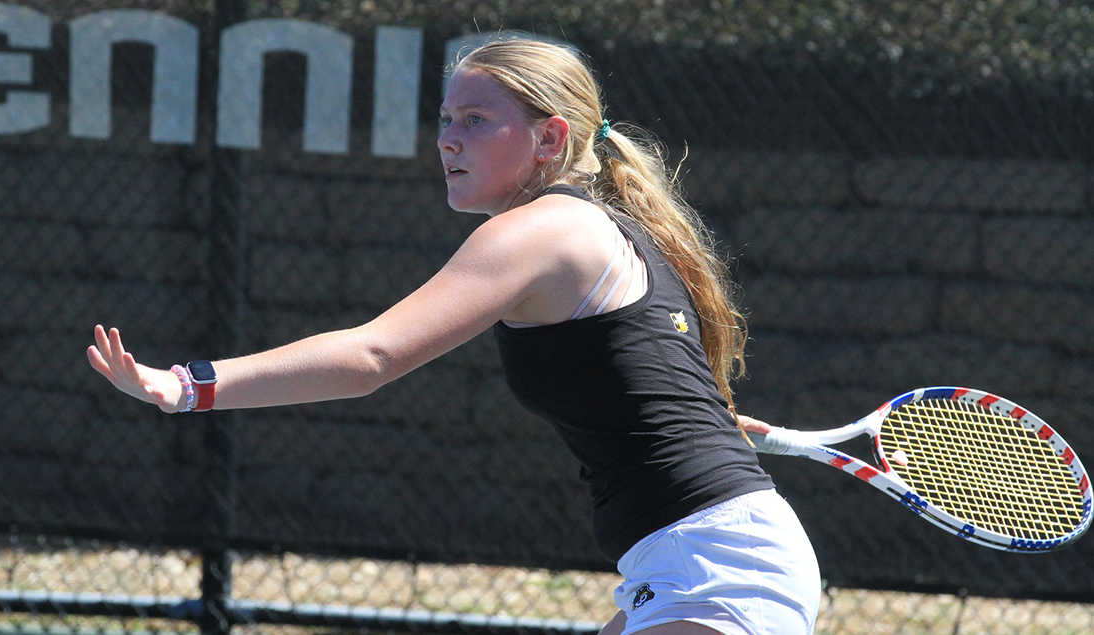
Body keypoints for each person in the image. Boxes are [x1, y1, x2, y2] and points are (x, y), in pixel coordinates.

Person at [88, 38, 820, 635]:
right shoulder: (603, 229)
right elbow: (652, 375)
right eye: (444, 119)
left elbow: (370, 357)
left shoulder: (543, 231)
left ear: (548, 138)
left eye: (475, 120)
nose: (447, 140)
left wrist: (186, 386)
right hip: (689, 556)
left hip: (719, 561)